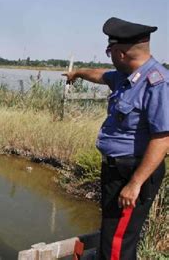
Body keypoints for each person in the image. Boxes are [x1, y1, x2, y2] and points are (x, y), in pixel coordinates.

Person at [63, 17, 169, 260]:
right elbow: (100, 75)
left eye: (109, 51)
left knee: (118, 243)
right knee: (112, 234)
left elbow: (162, 139)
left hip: (133, 172)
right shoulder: (125, 75)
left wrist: (134, 184)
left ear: (120, 53)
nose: (108, 56)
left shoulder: (158, 83)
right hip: (114, 171)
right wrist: (77, 73)